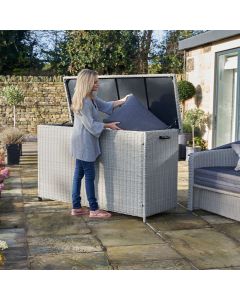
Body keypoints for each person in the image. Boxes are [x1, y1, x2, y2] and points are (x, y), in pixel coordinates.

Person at [70, 69, 129, 218]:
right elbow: (90, 124)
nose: (98, 84)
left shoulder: (91, 98)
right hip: (84, 144)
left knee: (78, 175)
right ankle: (94, 210)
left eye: (97, 81)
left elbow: (106, 105)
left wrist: (123, 101)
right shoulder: (84, 102)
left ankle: (76, 207)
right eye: (95, 82)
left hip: (82, 142)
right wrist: (108, 125)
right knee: (89, 176)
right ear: (87, 83)